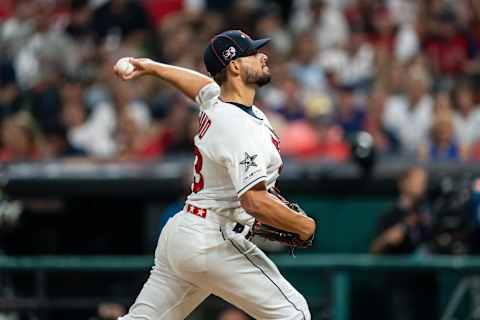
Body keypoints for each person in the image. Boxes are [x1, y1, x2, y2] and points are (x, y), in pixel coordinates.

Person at [114, 30, 315, 319]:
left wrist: (152, 67)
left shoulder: (220, 102)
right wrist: (303, 224)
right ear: (234, 66)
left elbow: (201, 87)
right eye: (254, 53)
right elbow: (254, 202)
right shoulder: (238, 126)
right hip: (213, 238)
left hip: (184, 232)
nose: (264, 56)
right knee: (295, 314)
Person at [370, 166, 436, 320]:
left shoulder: (428, 213)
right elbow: (375, 248)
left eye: (424, 182)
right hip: (400, 286)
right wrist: (389, 237)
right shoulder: (390, 214)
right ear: (404, 183)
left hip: (426, 285)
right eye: (417, 181)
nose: (422, 186)